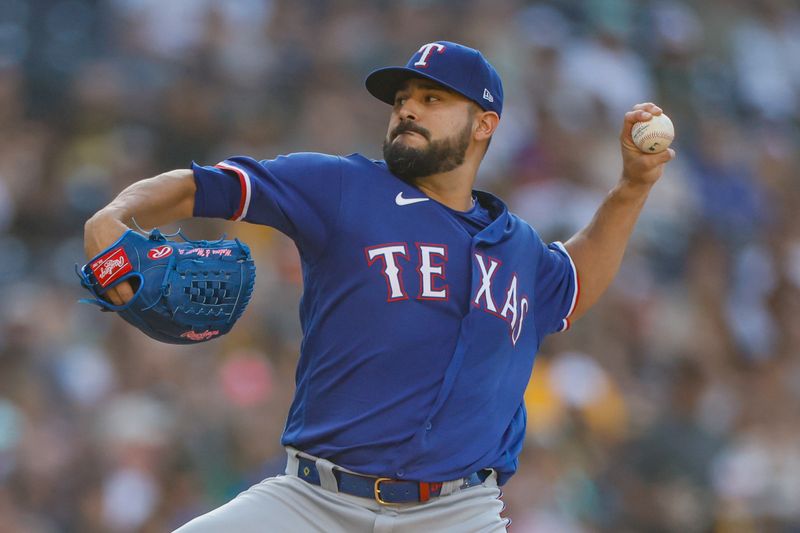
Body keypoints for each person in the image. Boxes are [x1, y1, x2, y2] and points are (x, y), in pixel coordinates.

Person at [83, 41, 675, 532]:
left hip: (458, 514)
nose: (408, 109)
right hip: (312, 503)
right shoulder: (340, 187)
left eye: (432, 98)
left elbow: (572, 285)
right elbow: (202, 185)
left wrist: (631, 189)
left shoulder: (518, 247)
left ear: (484, 124)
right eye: (401, 99)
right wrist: (111, 215)